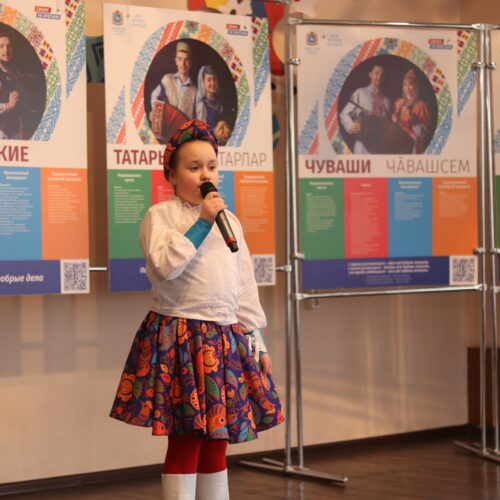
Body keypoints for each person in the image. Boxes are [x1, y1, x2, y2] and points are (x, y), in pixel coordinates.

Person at [110, 119, 284, 500]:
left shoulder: (230, 221)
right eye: (194, 167)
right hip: (181, 340)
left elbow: (243, 287)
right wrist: (203, 222)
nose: (205, 174)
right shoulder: (160, 216)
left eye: (211, 166)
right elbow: (164, 266)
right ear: (171, 175)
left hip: (224, 340)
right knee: (186, 438)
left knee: (217, 440)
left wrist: (258, 342)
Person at [339, 63, 391, 154]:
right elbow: (344, 114)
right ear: (370, 75)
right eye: (377, 73)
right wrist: (351, 125)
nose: (379, 77)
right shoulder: (360, 92)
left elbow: (388, 125)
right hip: (362, 145)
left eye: (382, 75)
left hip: (380, 148)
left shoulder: (387, 101)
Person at [150, 41, 197, 122]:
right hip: (167, 126)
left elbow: (198, 116)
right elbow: (154, 95)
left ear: (190, 62)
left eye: (186, 60)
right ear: (176, 61)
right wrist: (156, 113)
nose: (183, 64)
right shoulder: (167, 79)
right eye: (180, 59)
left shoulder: (195, 90)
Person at [392, 69, 431, 154]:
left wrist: (413, 118)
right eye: (405, 85)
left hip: (413, 145)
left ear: (416, 86)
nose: (407, 88)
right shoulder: (399, 102)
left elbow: (422, 134)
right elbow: (393, 122)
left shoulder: (421, 106)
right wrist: (397, 112)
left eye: (410, 84)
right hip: (397, 141)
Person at [0, 32, 24, 139]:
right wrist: (8, 106)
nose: (6, 50)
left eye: (8, 46)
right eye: (1, 46)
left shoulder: (15, 72)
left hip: (16, 134)